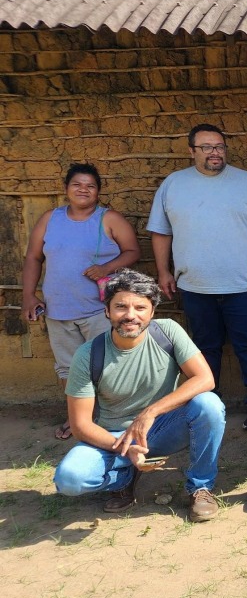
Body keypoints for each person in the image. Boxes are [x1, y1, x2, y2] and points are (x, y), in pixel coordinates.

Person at [53, 269, 225, 522]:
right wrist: (127, 447)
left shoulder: (167, 332)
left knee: (209, 404)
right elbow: (80, 426)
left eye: (140, 307)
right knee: (69, 480)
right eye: (120, 307)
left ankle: (200, 487)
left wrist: (150, 412)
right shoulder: (88, 354)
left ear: (152, 312)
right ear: (107, 311)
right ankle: (124, 477)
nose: (130, 315)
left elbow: (205, 379)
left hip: (162, 428)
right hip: (114, 436)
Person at [147, 123, 247, 432]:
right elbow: (161, 232)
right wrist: (163, 271)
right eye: (206, 147)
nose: (214, 152)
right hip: (195, 286)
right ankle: (207, 407)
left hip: (243, 286)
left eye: (219, 146)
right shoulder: (173, 185)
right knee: (204, 348)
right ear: (191, 151)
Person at [22, 163, 140, 440]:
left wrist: (106, 268)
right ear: (66, 188)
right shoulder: (51, 218)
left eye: (90, 186)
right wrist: (28, 295)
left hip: (99, 309)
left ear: (98, 191)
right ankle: (77, 418)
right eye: (77, 184)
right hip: (58, 308)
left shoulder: (109, 219)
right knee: (68, 367)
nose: (83, 190)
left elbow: (133, 251)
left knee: (107, 364)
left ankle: (110, 418)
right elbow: (33, 257)